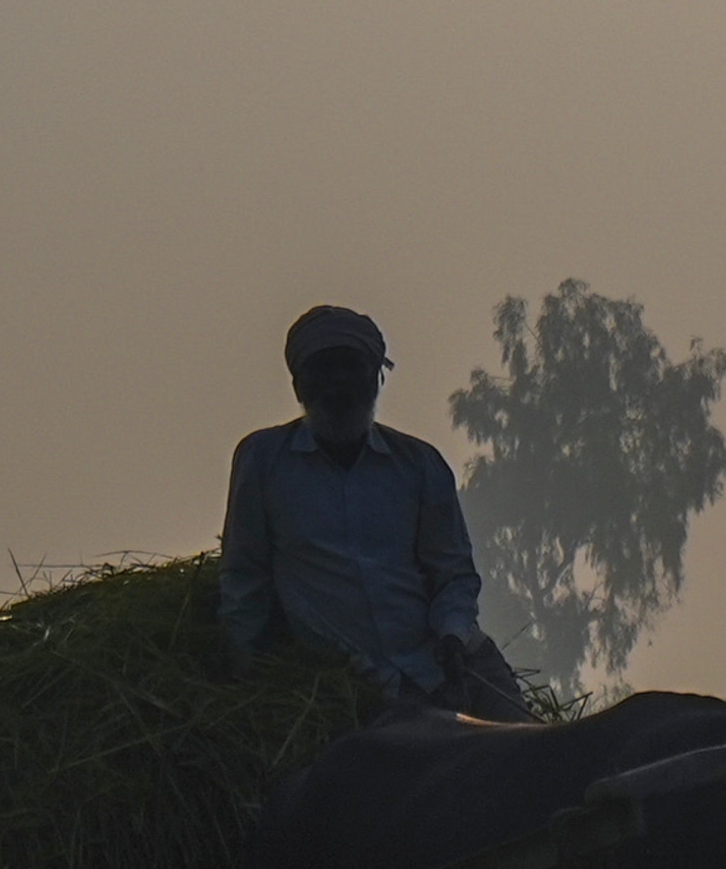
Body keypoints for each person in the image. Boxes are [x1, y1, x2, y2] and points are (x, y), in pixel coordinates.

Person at [221, 305, 525, 713]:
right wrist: (248, 666)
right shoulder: (264, 461)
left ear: (376, 378)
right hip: (345, 682)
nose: (338, 385)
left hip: (445, 663)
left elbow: (452, 573)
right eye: (322, 370)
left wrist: (452, 634)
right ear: (298, 385)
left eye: (352, 367)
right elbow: (246, 572)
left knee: (537, 754)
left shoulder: (418, 463)